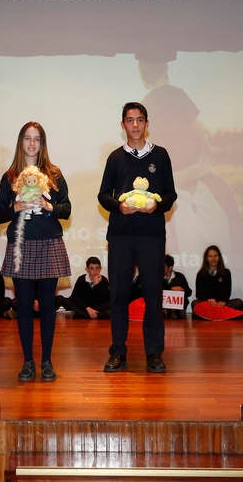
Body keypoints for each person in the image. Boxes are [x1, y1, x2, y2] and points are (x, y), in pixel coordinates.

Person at [98, 102, 177, 373]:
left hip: (151, 237)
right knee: (119, 295)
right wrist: (118, 206)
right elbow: (103, 195)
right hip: (121, 236)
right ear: (123, 125)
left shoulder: (162, 155)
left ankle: (154, 353)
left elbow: (170, 195)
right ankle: (118, 352)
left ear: (146, 123)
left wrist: (158, 205)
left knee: (153, 295)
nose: (135, 125)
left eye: (139, 120)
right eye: (129, 120)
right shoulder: (115, 158)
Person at [0, 121, 71, 382]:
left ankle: (47, 361)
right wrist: (15, 207)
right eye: (27, 138)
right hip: (20, 245)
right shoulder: (10, 176)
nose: (31, 143)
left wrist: (50, 206)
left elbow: (67, 209)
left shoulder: (55, 174)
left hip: (49, 243)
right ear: (20, 142)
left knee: (48, 306)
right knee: (24, 307)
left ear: (42, 143)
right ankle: (28, 362)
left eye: (36, 139)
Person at [163, 254, 191, 319]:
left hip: (178, 308)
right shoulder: (157, 278)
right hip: (163, 307)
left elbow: (189, 292)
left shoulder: (180, 276)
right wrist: (171, 289)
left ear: (170, 268)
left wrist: (181, 290)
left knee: (181, 315)